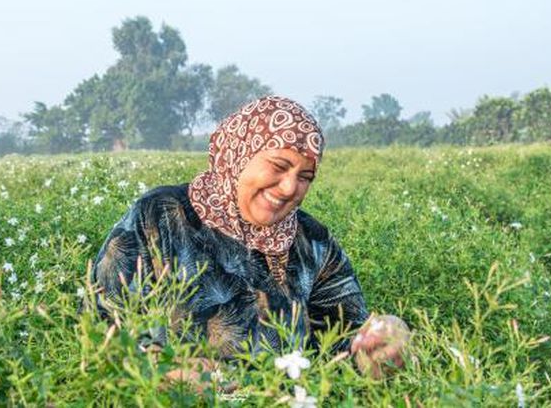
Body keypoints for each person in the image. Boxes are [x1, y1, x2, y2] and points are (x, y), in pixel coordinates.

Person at [90, 95, 410, 382]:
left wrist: (384, 341)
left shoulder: (313, 243)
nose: (289, 188)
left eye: (305, 177)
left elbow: (345, 341)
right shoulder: (160, 216)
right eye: (279, 166)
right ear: (239, 153)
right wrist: (171, 369)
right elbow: (104, 326)